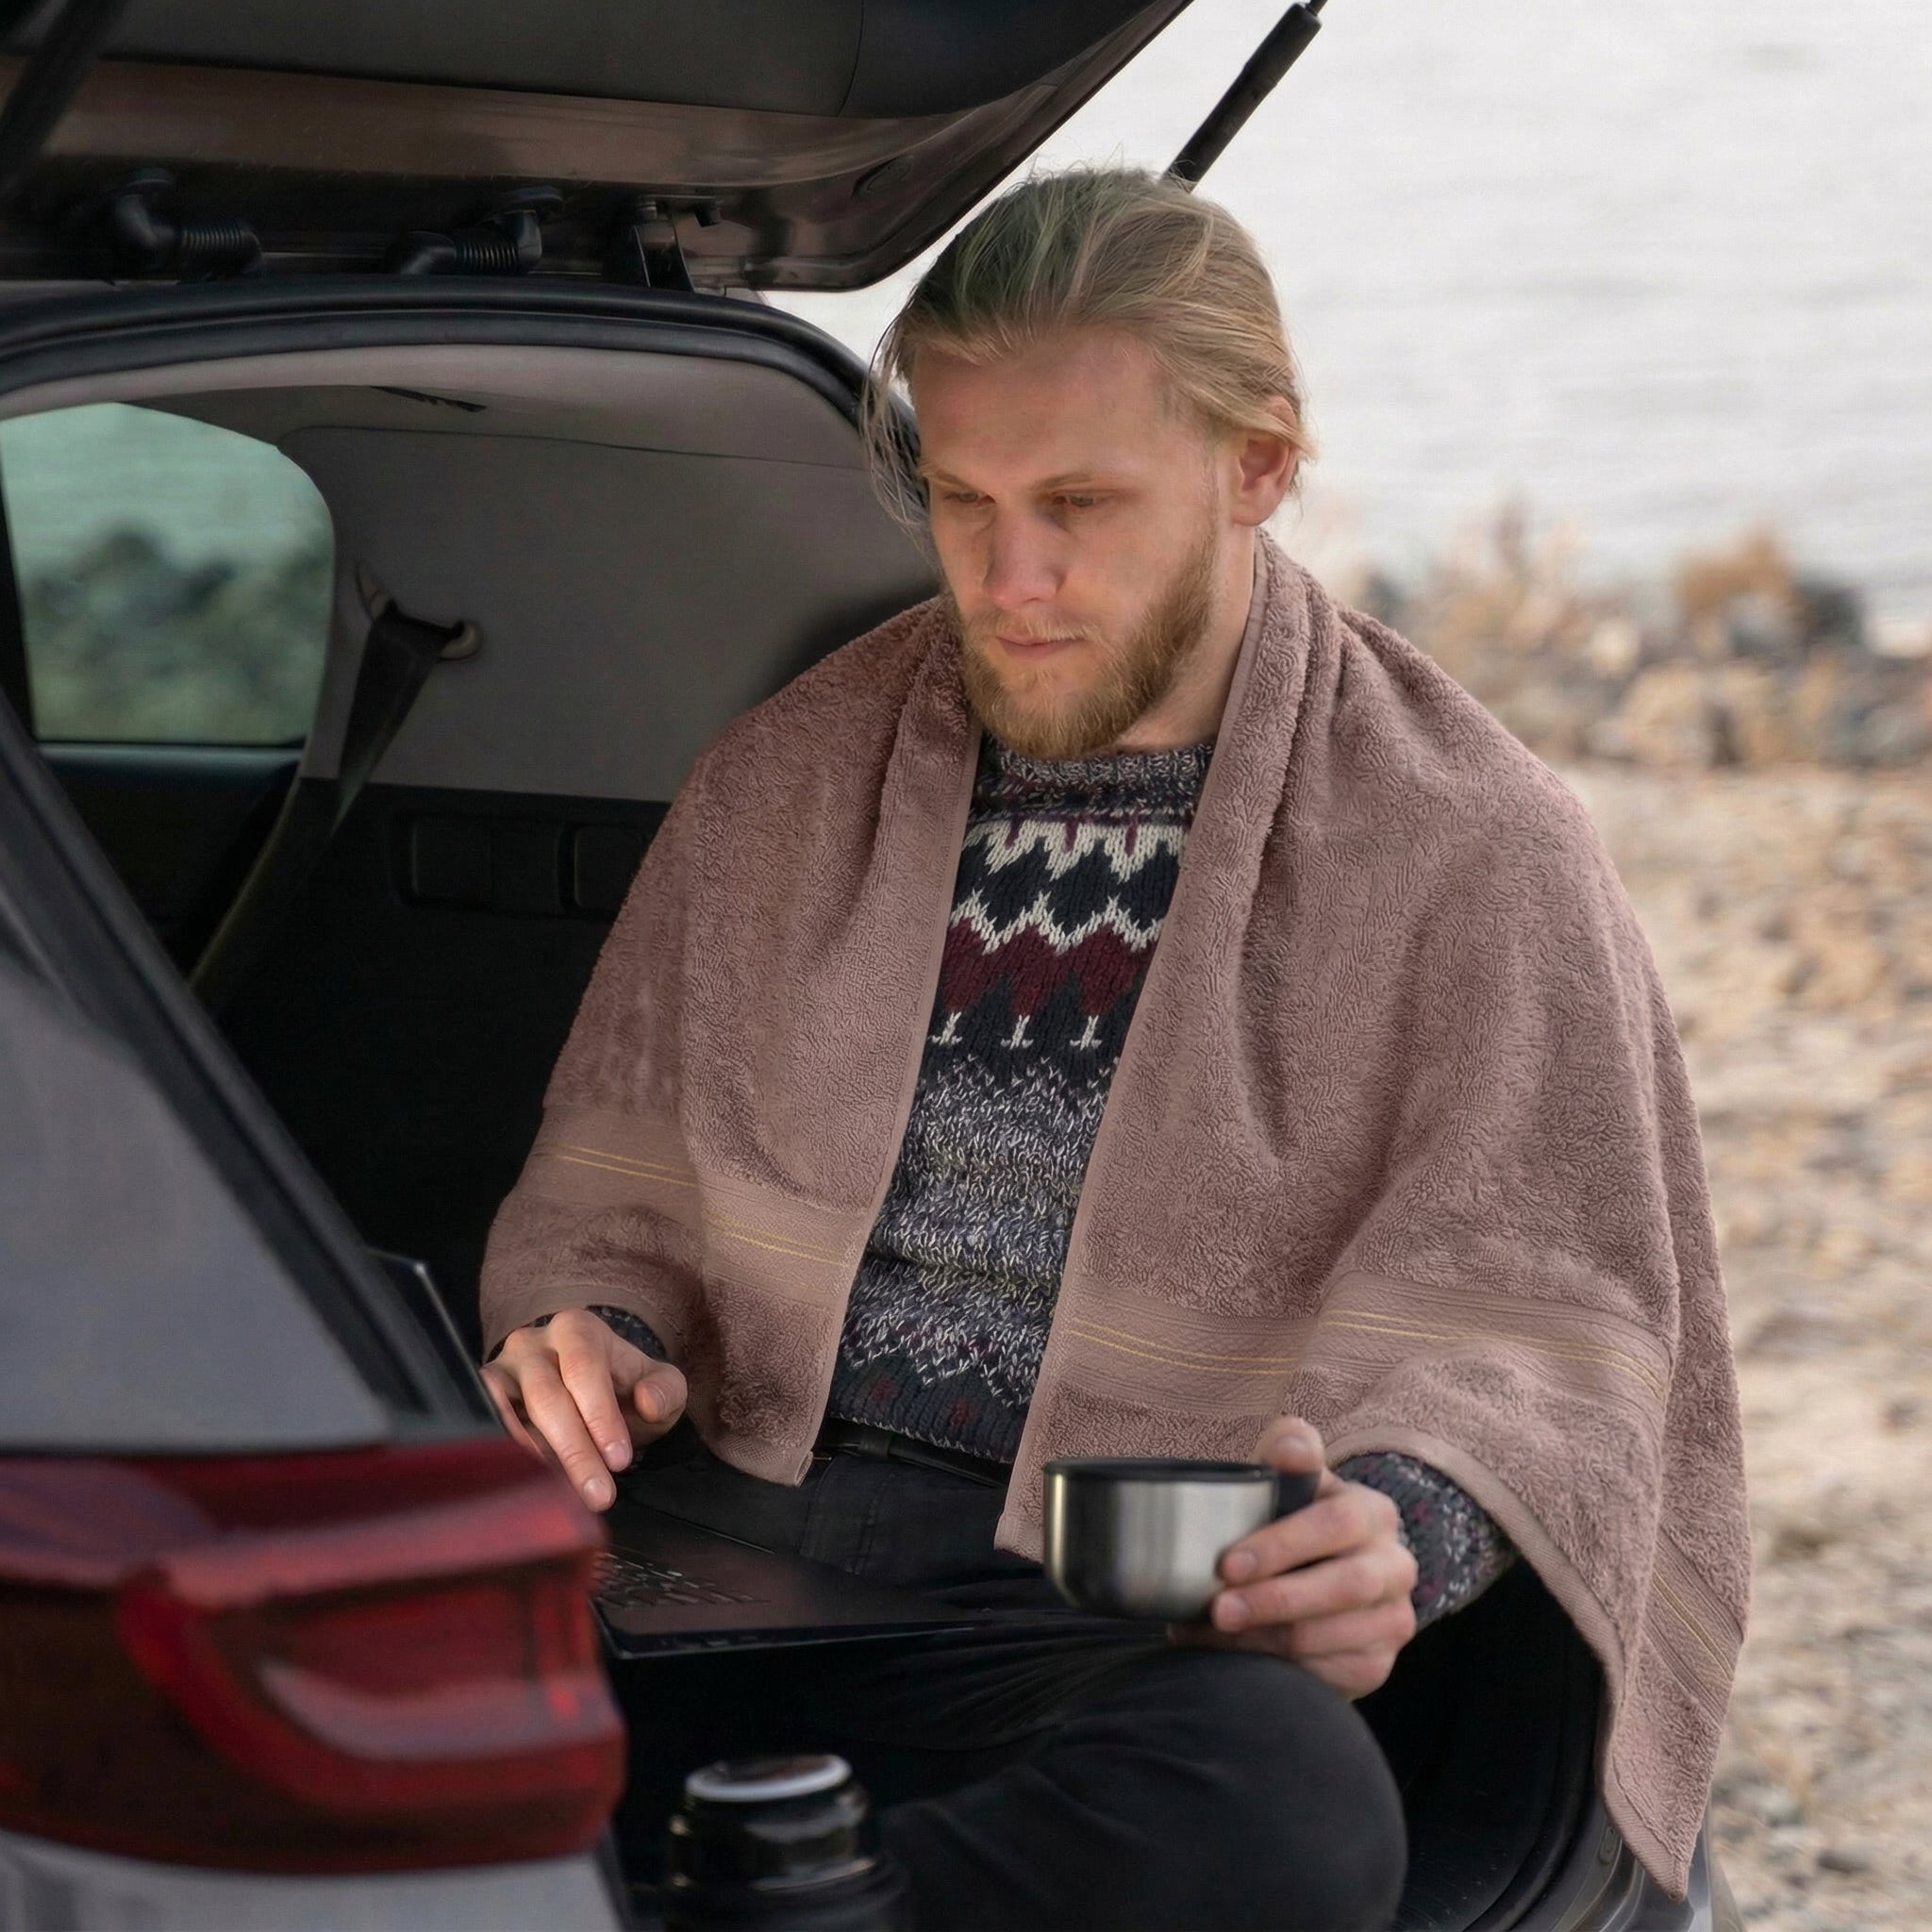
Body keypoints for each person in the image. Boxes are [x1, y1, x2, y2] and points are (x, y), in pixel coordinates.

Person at [479, 168, 1750, 1932]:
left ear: (1258, 468)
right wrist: (593, 1339)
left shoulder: (1473, 841)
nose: (1012, 577)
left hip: (1107, 1626)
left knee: (1280, 1798)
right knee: (331, 1687)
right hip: (733, 1553)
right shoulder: (781, 775)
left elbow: (1539, 1320)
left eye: (1079, 502)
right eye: (962, 499)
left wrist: (1395, 1534)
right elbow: (612, 1195)